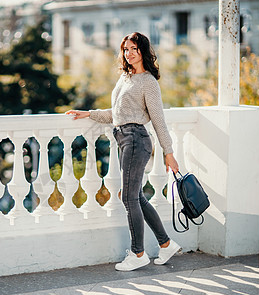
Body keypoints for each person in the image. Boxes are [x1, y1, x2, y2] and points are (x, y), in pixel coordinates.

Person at [66, 32, 181, 272]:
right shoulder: (126, 78)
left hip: (136, 140)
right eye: (126, 49)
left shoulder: (148, 82)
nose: (129, 53)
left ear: (143, 52)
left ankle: (138, 253)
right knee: (135, 196)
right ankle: (166, 243)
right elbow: (116, 114)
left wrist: (168, 151)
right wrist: (88, 113)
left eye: (134, 49)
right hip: (124, 139)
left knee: (128, 197)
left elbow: (158, 119)